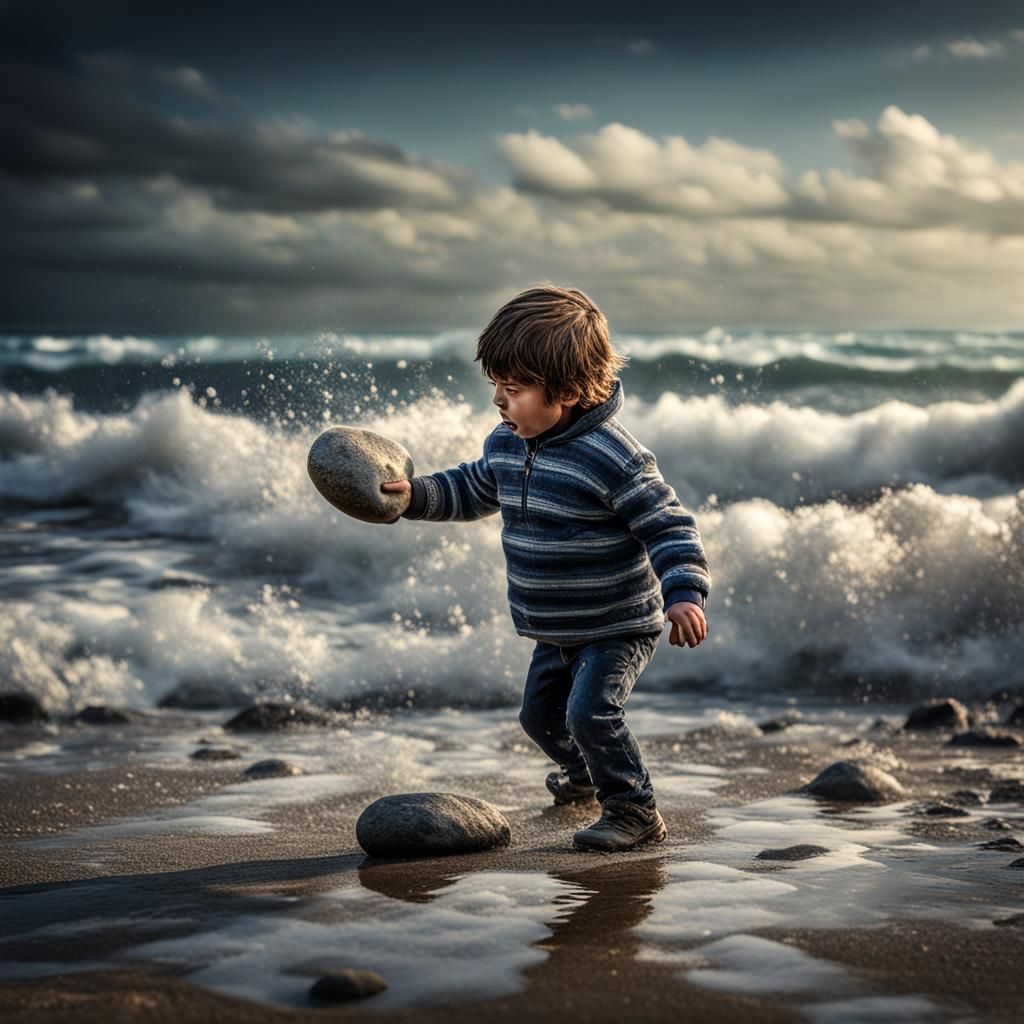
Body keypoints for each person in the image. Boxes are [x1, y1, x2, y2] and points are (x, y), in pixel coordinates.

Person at [381, 284, 711, 852]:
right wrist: (415, 496)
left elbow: (668, 525)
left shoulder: (613, 456)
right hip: (554, 628)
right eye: (496, 388)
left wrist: (683, 592)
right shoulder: (508, 443)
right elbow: (474, 487)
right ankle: (586, 773)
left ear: (568, 390)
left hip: (616, 625)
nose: (499, 402)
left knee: (591, 712)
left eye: (513, 389)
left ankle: (634, 809)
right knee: (540, 719)